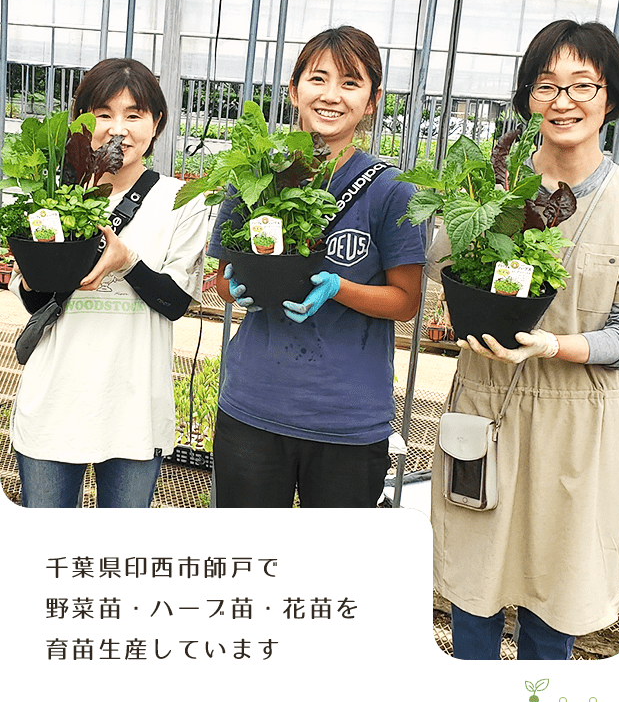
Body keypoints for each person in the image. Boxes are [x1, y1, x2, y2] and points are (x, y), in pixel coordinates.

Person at [427, 20, 619, 660]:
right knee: (472, 588)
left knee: (557, 594)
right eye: (546, 86)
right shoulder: (493, 187)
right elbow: (442, 267)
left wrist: (554, 346)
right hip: (483, 407)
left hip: (579, 417)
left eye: (582, 85)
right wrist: (473, 201)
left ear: (610, 98)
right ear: (527, 99)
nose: (563, 101)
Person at [207, 25, 426, 507]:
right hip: (252, 407)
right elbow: (219, 279)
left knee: (332, 575)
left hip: (346, 420)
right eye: (318, 79)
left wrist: (339, 288)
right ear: (294, 90)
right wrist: (234, 288)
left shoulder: (391, 191)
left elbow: (406, 302)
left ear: (372, 100)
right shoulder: (255, 175)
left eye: (350, 83)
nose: (331, 96)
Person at [10, 58, 208, 508]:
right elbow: (32, 298)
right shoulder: (53, 195)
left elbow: (176, 302)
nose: (118, 129)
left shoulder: (180, 201)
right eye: (103, 114)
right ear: (84, 122)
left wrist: (126, 261)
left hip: (134, 411)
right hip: (54, 404)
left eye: (134, 115)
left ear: (156, 124)